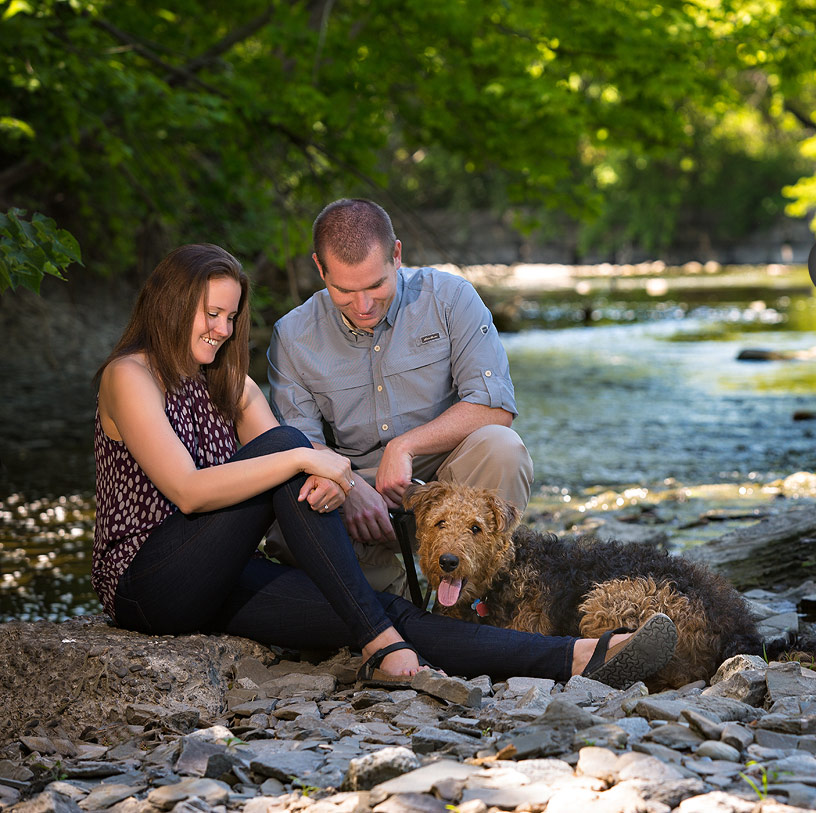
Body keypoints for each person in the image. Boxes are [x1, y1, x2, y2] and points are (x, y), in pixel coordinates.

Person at [91, 243, 676, 688]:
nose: (222, 331)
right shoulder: (130, 375)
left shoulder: (231, 386)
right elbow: (189, 491)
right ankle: (380, 642)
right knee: (291, 449)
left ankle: (579, 657)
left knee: (377, 611)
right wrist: (308, 458)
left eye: (230, 318)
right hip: (149, 584)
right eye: (210, 315)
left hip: (221, 576)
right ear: (170, 304)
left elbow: (300, 472)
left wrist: (320, 471)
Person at [268, 199, 529, 594]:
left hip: (444, 485)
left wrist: (405, 446)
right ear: (320, 270)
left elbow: (494, 407)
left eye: (376, 285)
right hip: (354, 495)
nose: (364, 305)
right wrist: (349, 487)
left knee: (503, 447)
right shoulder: (292, 335)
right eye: (344, 290)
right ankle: (399, 601)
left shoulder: (450, 298)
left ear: (397, 256)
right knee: (288, 521)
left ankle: (480, 598)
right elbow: (299, 446)